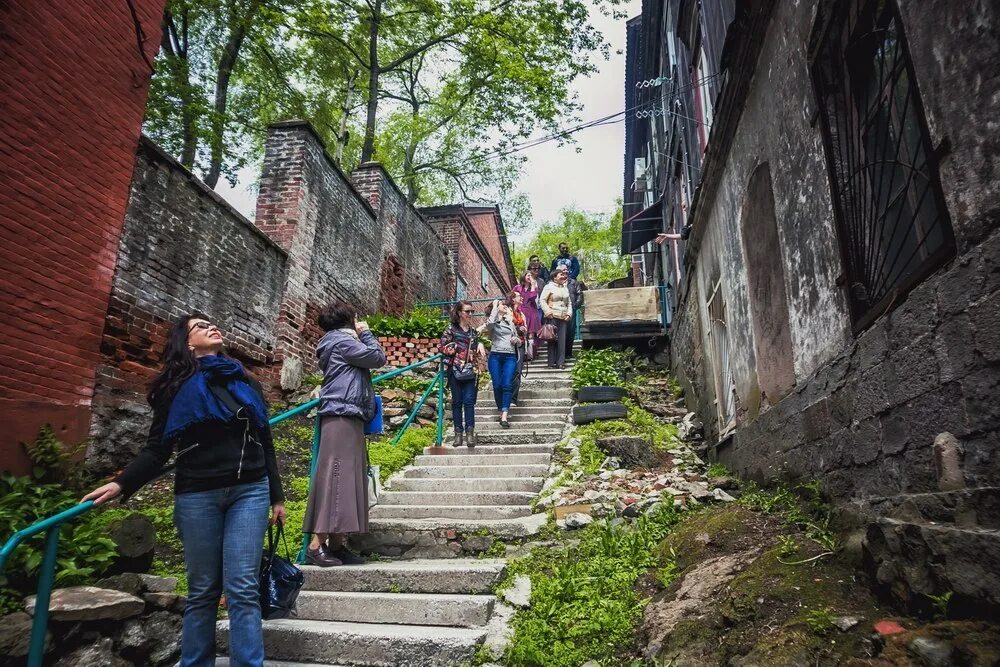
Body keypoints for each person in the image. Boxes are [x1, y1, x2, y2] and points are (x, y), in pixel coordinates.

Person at [83, 313, 285, 667]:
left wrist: (277, 496)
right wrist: (122, 482)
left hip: (249, 491)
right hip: (197, 495)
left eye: (212, 323)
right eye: (200, 326)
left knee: (242, 588)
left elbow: (264, 440)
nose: (211, 326)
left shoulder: (244, 381)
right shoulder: (175, 387)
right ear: (188, 343)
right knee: (203, 590)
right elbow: (158, 449)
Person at [303, 300, 387, 567]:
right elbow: (377, 358)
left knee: (348, 478)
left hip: (349, 414)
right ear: (349, 319)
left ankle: (338, 545)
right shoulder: (342, 341)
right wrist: (366, 332)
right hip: (341, 414)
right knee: (337, 477)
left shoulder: (335, 341)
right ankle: (317, 545)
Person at [439, 300, 486, 448]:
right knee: (457, 402)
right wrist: (450, 350)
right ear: (459, 313)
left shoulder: (473, 332)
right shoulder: (451, 329)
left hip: (469, 370)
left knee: (469, 402)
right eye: (467, 311)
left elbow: (475, 350)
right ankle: (458, 434)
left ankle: (470, 434)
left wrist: (479, 346)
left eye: (472, 311)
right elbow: (441, 347)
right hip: (454, 370)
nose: (470, 314)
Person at [484, 294, 526, 428]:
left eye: (505, 305)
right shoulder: (493, 324)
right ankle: (500, 408)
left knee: (507, 384)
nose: (505, 306)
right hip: (495, 356)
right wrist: (495, 305)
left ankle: (504, 415)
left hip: (510, 356)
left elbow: (518, 342)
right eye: (503, 305)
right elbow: (490, 323)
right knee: (497, 385)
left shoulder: (511, 323)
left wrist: (517, 340)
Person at [540, 267, 573, 369]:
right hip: (552, 316)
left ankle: (560, 362)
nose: (563, 276)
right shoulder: (548, 287)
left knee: (562, 340)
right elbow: (542, 300)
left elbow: (569, 303)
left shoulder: (565, 287)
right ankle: (551, 362)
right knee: (552, 339)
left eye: (564, 275)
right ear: (554, 277)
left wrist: (569, 314)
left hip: (563, 317)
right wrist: (547, 312)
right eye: (561, 275)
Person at [513, 271, 542, 360]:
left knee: (531, 334)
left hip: (531, 312)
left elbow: (533, 297)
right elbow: (512, 297)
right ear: (524, 276)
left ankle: (530, 355)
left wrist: (533, 286)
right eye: (528, 275)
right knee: (520, 332)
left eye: (531, 276)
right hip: (521, 311)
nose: (530, 277)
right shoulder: (517, 287)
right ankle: (521, 354)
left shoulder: (534, 288)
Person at [565, 276, 586, 360]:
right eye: (563, 271)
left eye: (566, 270)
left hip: (571, 309)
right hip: (560, 310)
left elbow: (580, 294)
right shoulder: (554, 283)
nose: (565, 272)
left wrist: (575, 305)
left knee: (571, 331)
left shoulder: (574, 282)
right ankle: (561, 354)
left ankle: (569, 352)